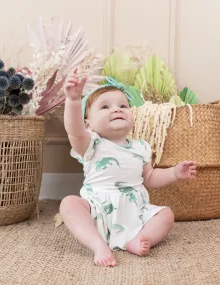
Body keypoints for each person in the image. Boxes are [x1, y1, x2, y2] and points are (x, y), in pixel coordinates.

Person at [60, 67, 197, 267]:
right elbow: (74, 130)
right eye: (105, 107)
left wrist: (175, 173)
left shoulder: (141, 147)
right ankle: (97, 244)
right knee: (69, 204)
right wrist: (73, 101)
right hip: (98, 212)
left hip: (134, 212)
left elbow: (150, 177)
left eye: (122, 105)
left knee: (167, 215)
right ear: (88, 124)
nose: (116, 109)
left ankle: (140, 238)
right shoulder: (91, 143)